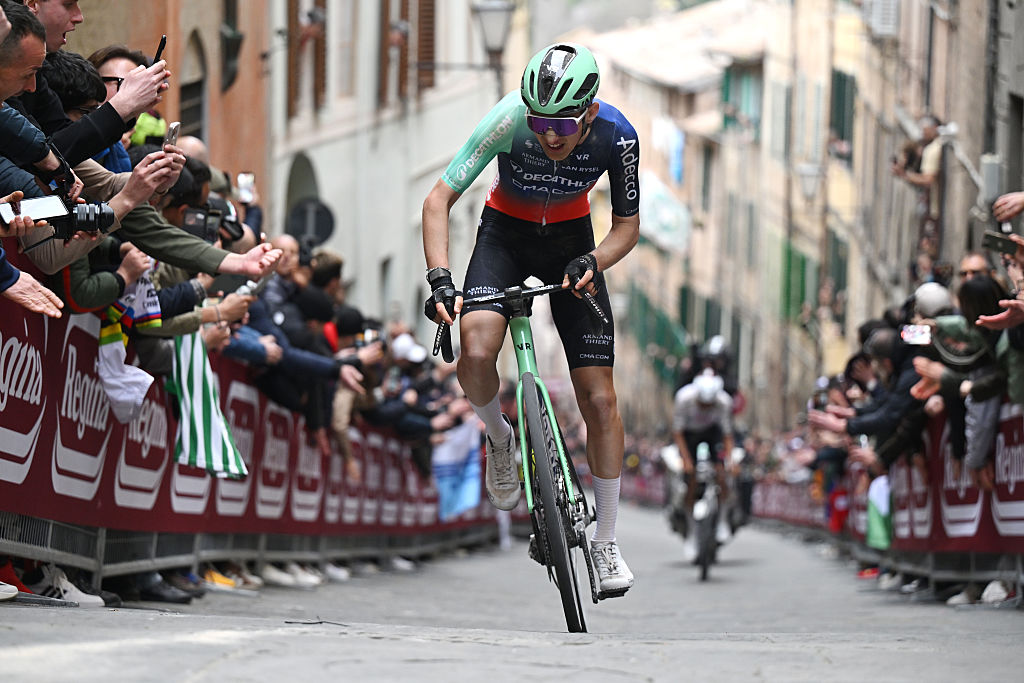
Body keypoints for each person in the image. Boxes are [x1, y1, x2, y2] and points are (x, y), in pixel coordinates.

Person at [421, 43, 640, 595]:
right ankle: (500, 437)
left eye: (562, 123)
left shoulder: (619, 136)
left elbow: (626, 227)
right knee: (474, 348)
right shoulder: (507, 120)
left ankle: (607, 541)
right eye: (539, 121)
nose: (549, 136)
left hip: (572, 243)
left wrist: (595, 260)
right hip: (505, 235)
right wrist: (441, 279)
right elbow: (438, 199)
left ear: (589, 111)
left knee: (601, 399)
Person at [672, 370, 734, 559]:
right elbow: (678, 432)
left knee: (722, 474)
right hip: (689, 435)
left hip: (712, 433)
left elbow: (727, 434)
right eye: (703, 405)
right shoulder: (684, 398)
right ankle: (691, 532)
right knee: (690, 479)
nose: (706, 408)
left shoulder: (724, 402)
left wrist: (728, 460)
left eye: (710, 405)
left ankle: (722, 520)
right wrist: (686, 460)